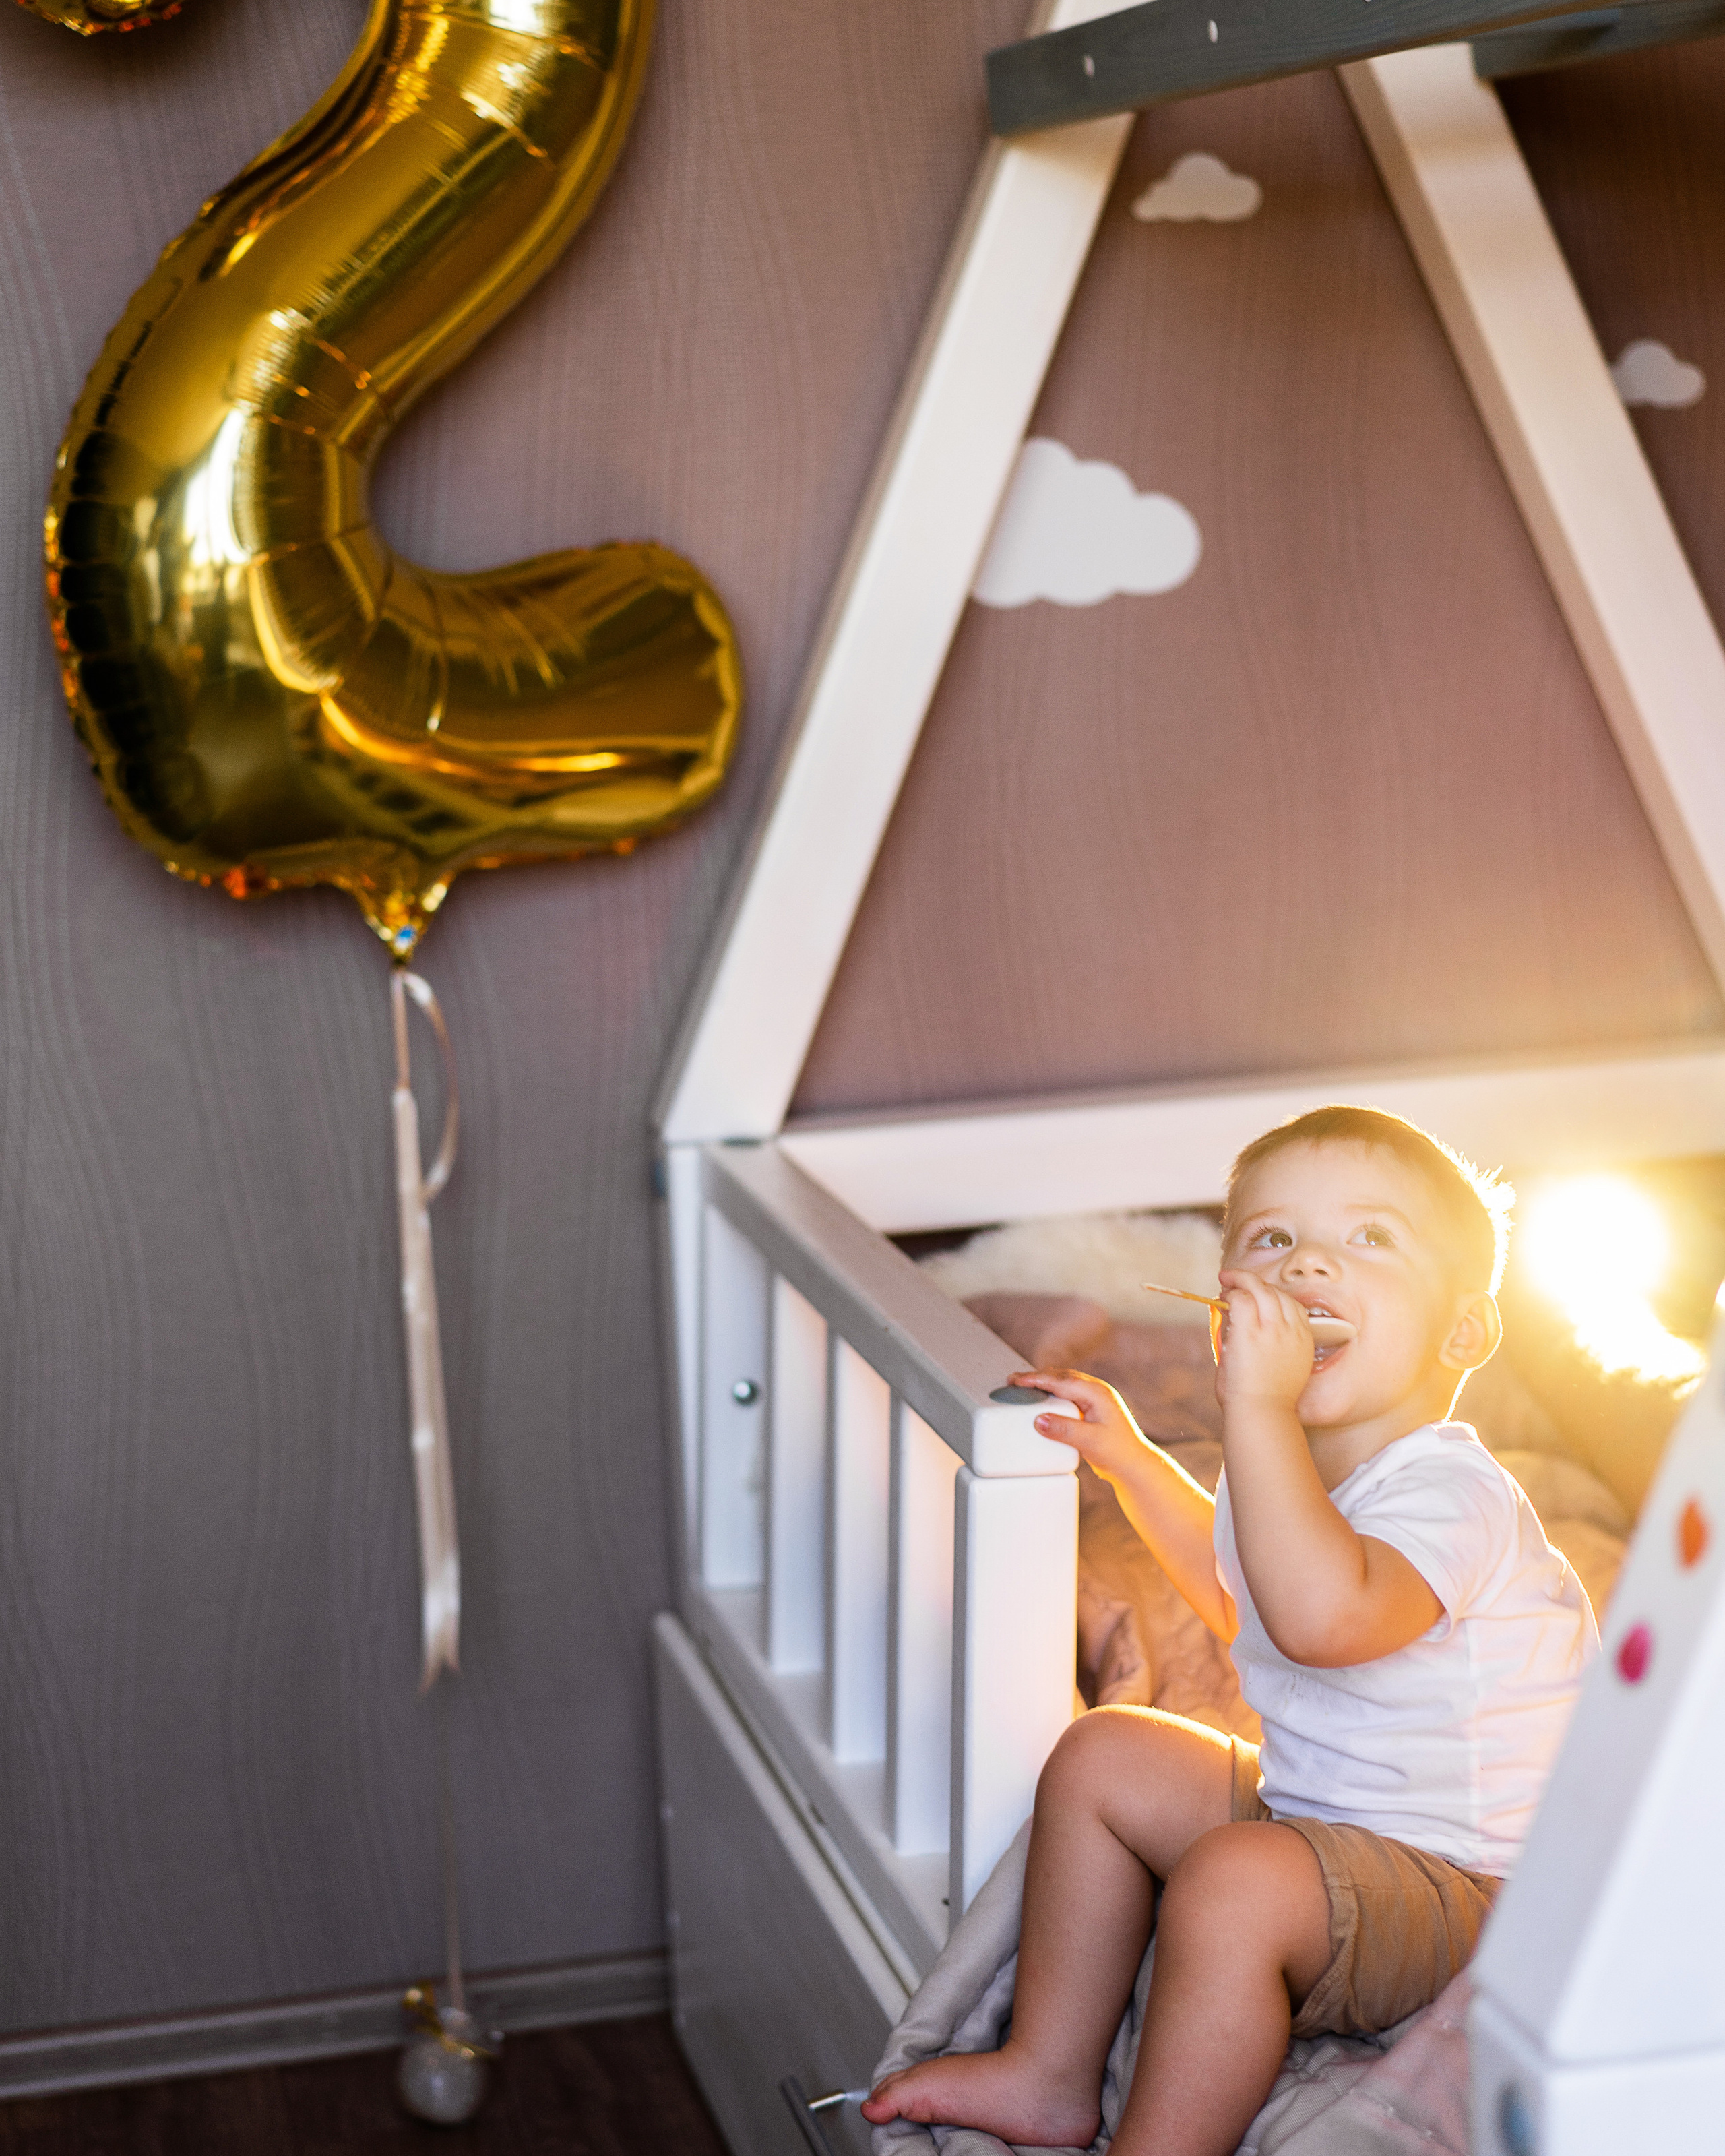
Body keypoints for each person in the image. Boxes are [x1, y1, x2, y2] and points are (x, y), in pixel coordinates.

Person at [862, 1105, 1598, 2155]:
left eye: (1368, 1239)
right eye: (1272, 1241)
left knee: (1232, 1888)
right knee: (1109, 1751)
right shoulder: (1281, 1479)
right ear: (1225, 1309)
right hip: (1334, 1825)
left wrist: (1252, 1411)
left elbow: (1323, 1618)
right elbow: (1238, 1602)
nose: (1308, 1268)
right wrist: (1132, 1461)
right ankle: (1049, 2069)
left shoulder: (1452, 1489)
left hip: (1472, 1892)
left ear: (1464, 1333)